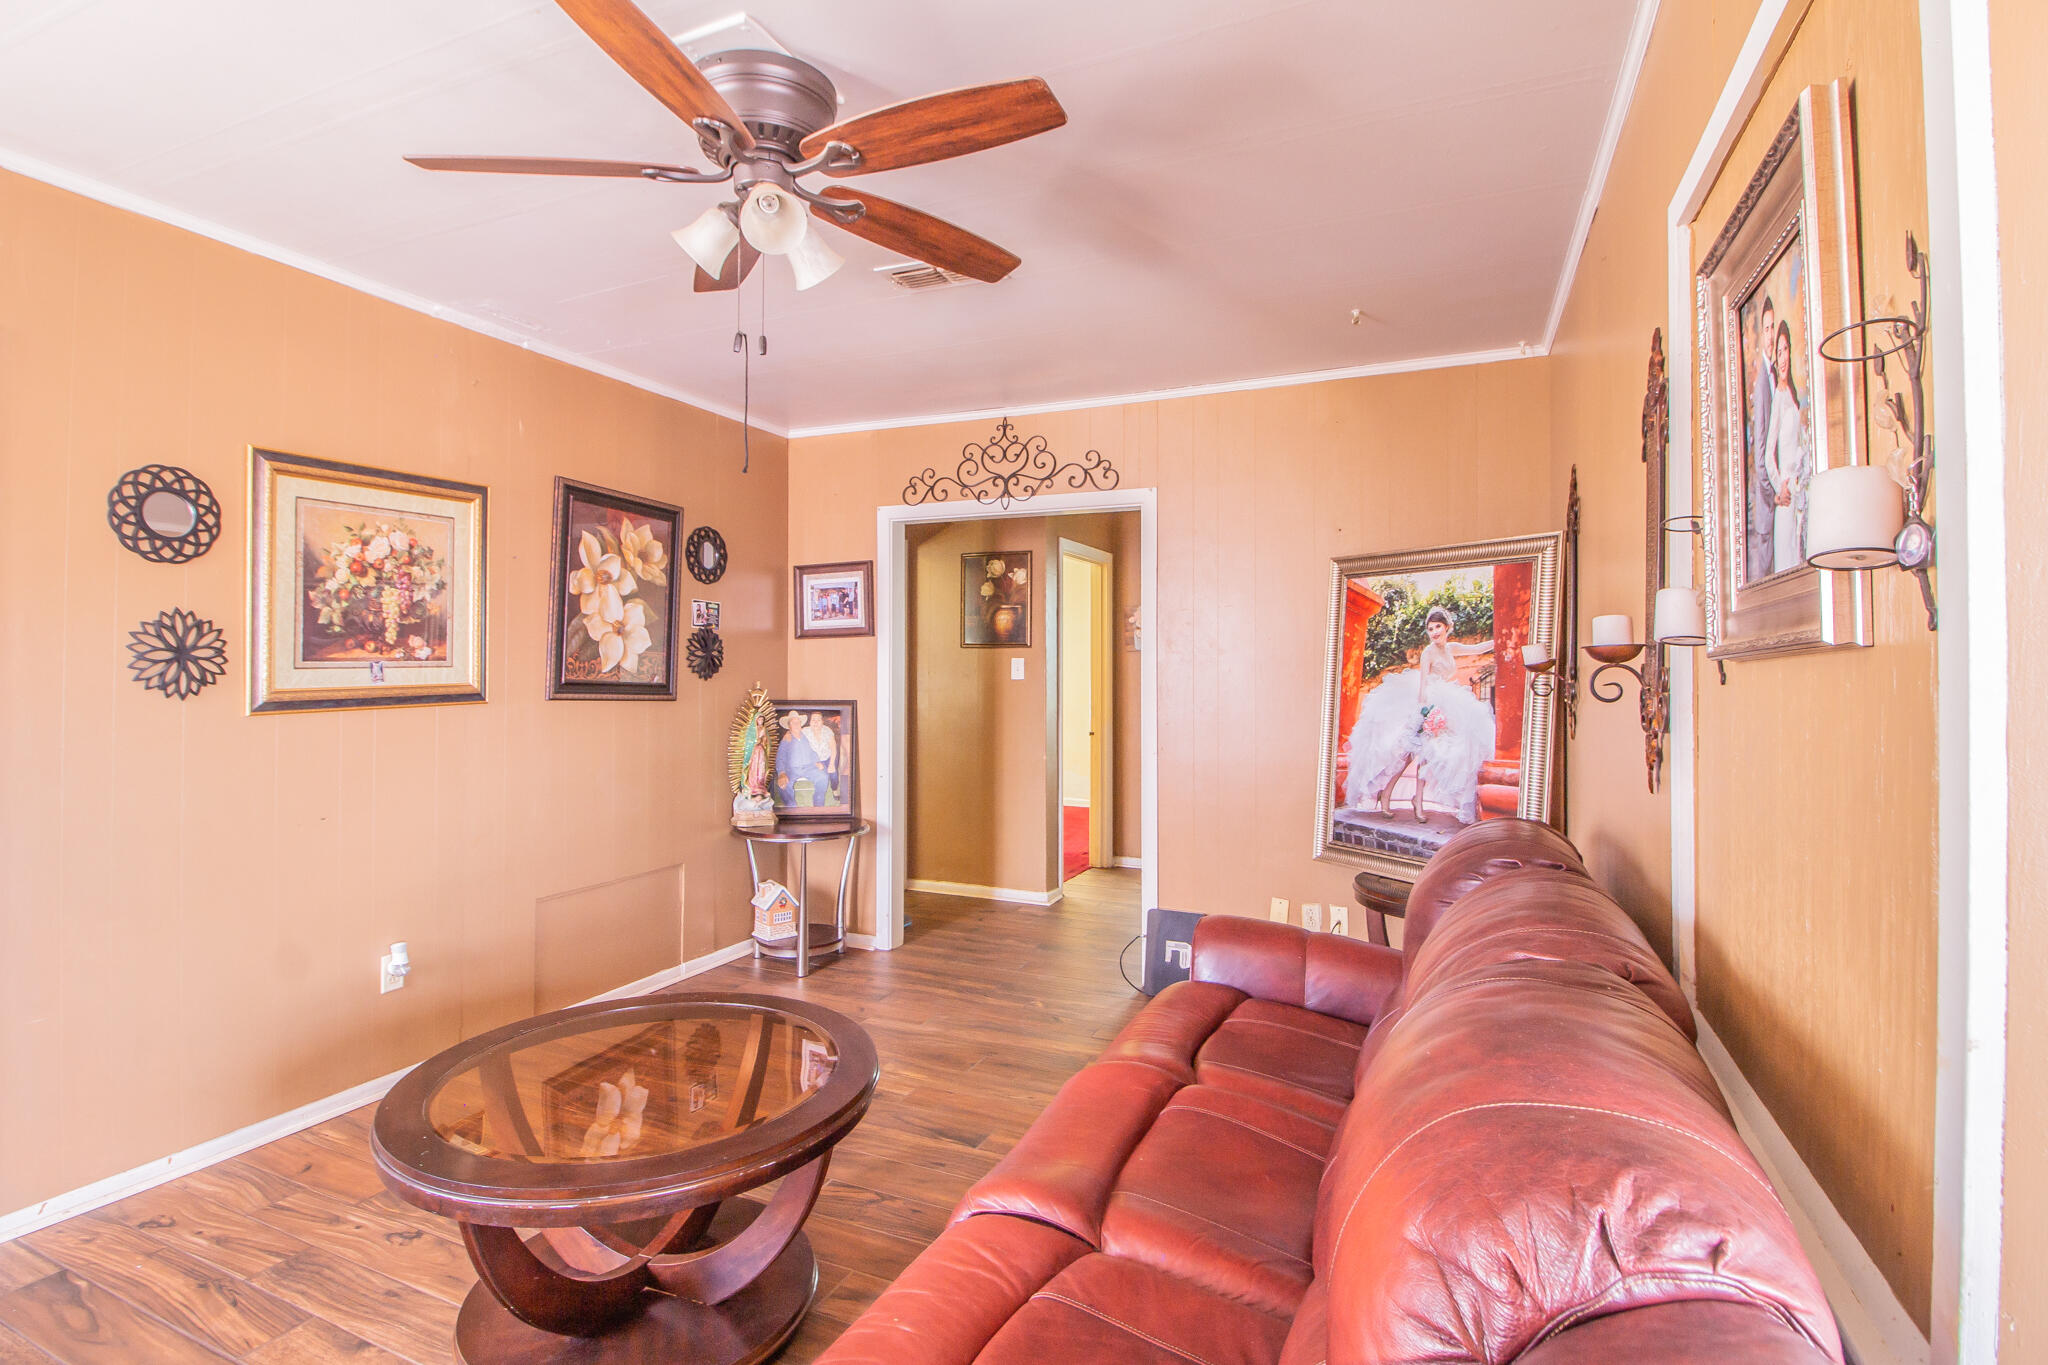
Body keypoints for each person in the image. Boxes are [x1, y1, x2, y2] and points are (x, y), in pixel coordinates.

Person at [1343, 606, 1497, 825]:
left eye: (1438, 627)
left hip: (1446, 700)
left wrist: (1498, 641)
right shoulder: (1428, 652)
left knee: (1427, 755)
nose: (1434, 632)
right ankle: (1386, 793)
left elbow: (1478, 647)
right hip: (1427, 702)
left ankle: (1418, 801)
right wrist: (1426, 712)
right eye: (1430, 628)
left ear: (1447, 628)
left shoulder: (1451, 647)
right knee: (1405, 755)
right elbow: (1423, 684)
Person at [1757, 319, 1810, 573]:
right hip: (1788, 497)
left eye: (1786, 349)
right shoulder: (1778, 397)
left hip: (1801, 491)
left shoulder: (1793, 395)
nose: (1783, 356)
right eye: (1779, 352)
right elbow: (1768, 455)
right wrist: (1781, 487)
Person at [1746, 297, 1780, 578]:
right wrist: (1771, 493)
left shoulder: (1777, 377)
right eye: (1766, 329)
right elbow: (1760, 449)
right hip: (1769, 503)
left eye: (1773, 329)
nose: (1769, 337)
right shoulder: (1761, 384)